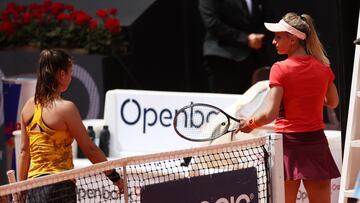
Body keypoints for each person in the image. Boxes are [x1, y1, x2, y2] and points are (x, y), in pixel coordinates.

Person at [236, 12, 340, 203]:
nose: (274, 41)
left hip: (287, 147)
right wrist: (311, 97)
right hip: (316, 145)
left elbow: (270, 113)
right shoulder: (324, 66)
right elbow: (333, 102)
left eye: (278, 37)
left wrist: (250, 123)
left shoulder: (279, 68)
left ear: (292, 40)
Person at [18, 49, 124, 202]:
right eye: (69, 73)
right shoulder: (66, 108)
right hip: (60, 186)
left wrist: (19, 189)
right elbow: (90, 150)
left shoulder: (28, 106)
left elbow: (23, 152)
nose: (70, 77)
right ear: (61, 75)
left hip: (34, 188)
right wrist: (114, 176)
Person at [199, 0, 273, 94]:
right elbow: (212, 22)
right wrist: (246, 39)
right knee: (226, 104)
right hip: (224, 58)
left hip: (256, 60)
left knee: (257, 103)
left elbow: (269, 18)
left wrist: (260, 36)